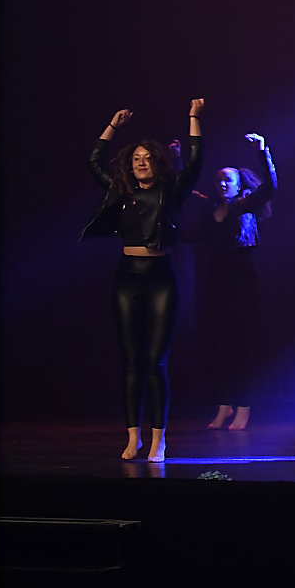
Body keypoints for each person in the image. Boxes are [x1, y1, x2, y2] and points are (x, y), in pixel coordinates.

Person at [83, 101, 205, 462]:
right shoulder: (121, 190)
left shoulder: (171, 190)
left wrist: (193, 118)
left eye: (147, 158)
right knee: (132, 362)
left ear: (156, 162)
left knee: (155, 362)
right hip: (127, 277)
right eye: (136, 158)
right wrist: (112, 125)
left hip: (161, 278)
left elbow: (195, 161)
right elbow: (93, 161)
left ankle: (158, 440)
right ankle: (132, 437)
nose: (141, 162)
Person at [188, 132, 278, 432]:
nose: (223, 184)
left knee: (241, 345)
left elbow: (270, 186)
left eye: (228, 180)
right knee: (218, 344)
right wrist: (175, 160)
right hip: (217, 280)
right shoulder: (210, 208)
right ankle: (224, 404)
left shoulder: (245, 205)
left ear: (239, 185)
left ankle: (243, 407)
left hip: (243, 279)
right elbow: (183, 190)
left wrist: (263, 151)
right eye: (219, 180)